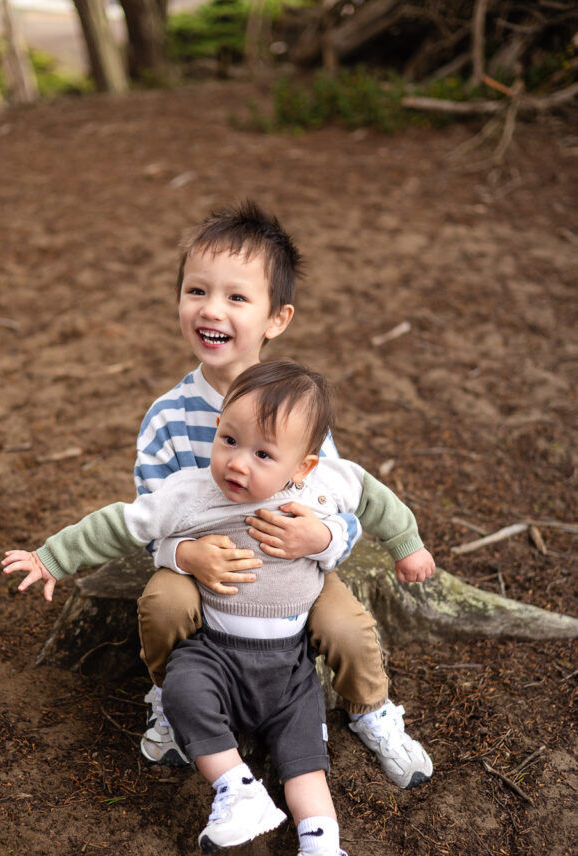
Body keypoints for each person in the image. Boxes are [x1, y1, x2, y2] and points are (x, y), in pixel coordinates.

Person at [2, 361, 435, 856]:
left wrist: (409, 545)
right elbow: (119, 523)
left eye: (262, 454)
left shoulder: (324, 485)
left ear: (302, 465)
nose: (236, 462)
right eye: (228, 439)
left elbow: (377, 500)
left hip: (291, 665)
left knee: (305, 764)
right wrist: (52, 558)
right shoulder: (191, 491)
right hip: (218, 652)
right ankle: (238, 790)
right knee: (185, 691)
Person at [134, 200, 434, 789]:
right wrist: (182, 556)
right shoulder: (167, 418)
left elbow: (342, 500)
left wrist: (320, 537)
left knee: (347, 627)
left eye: (237, 297)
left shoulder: (297, 409)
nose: (211, 309)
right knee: (164, 605)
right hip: (205, 568)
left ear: (277, 318)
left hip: (291, 562)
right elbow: (150, 519)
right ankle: (173, 701)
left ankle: (371, 711)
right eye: (196, 290)